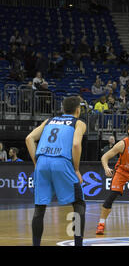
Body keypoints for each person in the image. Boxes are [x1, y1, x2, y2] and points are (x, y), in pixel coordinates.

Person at [25, 96, 87, 246]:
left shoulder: (49, 121)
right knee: (78, 204)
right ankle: (78, 244)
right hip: (61, 161)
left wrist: (36, 162)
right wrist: (76, 169)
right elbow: (76, 144)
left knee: (39, 208)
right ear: (78, 110)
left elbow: (29, 138)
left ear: (63, 109)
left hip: (42, 163)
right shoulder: (79, 123)